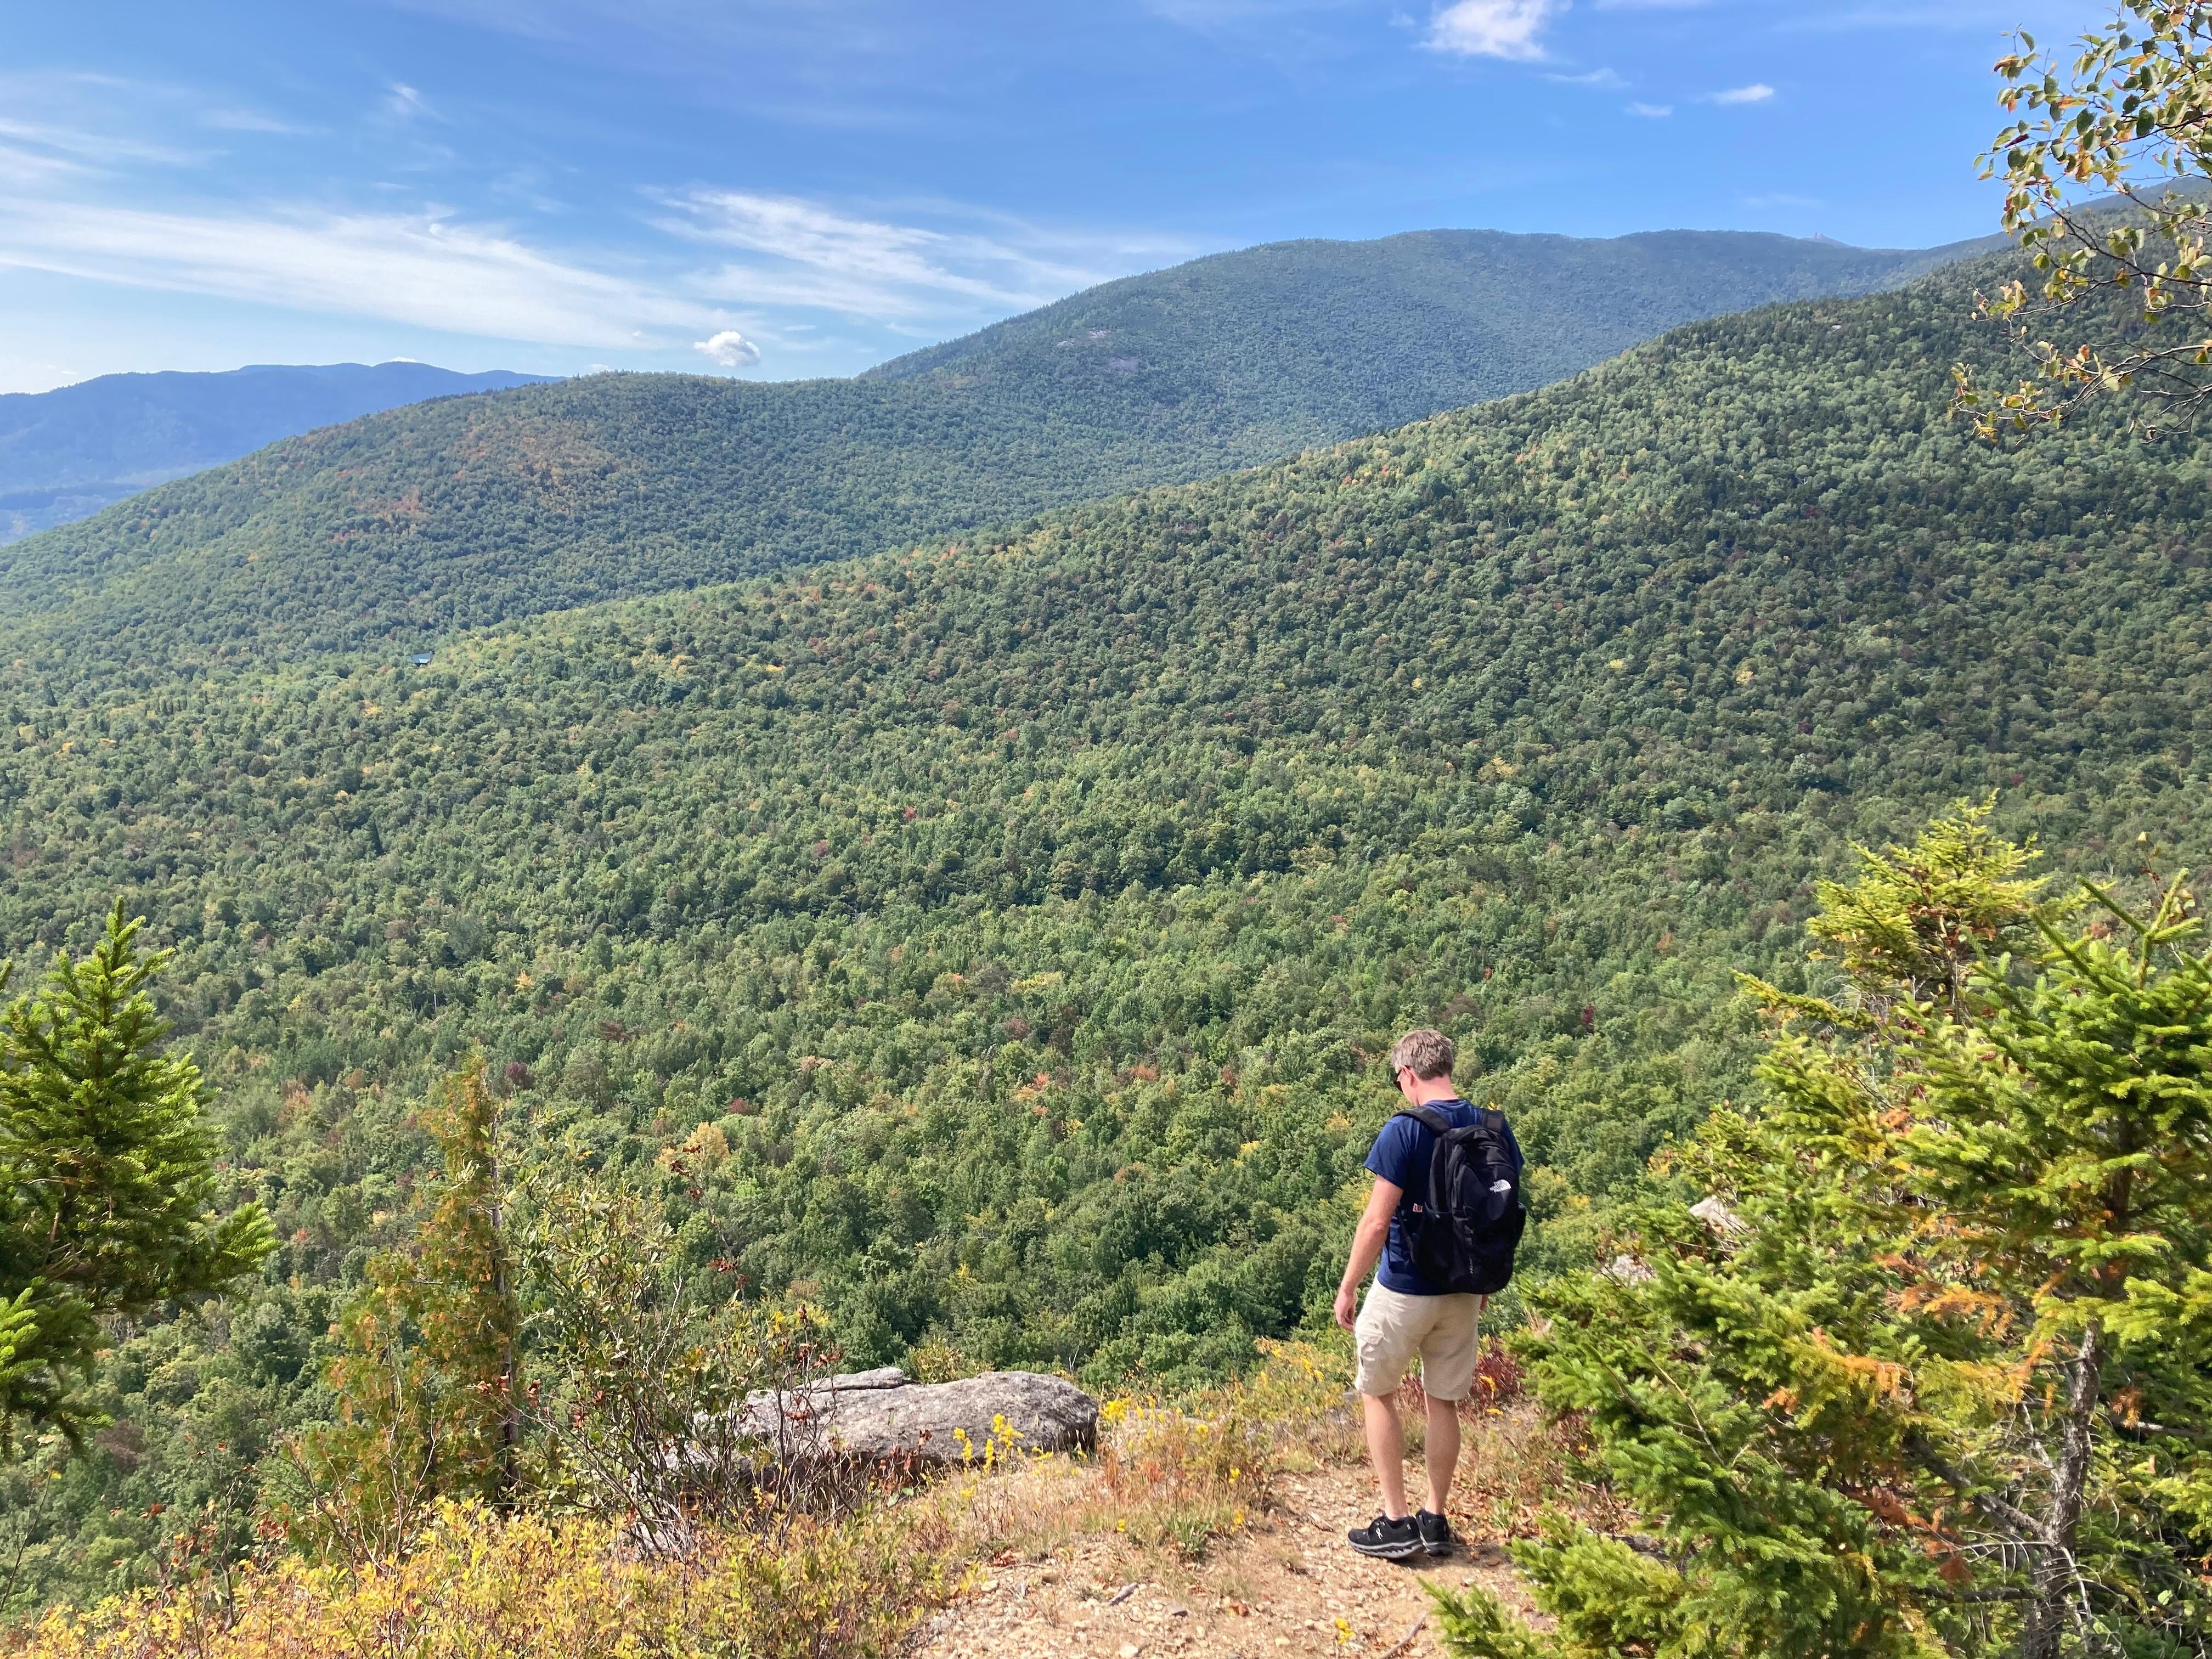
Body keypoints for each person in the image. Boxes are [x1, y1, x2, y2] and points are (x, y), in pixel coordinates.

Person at [1333, 1028, 1522, 1561]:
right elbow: (1501, 1214)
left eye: (1399, 1080)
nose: (1401, 1088)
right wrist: (1481, 1277)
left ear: (1409, 1073)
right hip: (1464, 1292)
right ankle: (1435, 1519)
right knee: (1444, 1403)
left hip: (1405, 1287)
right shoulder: (1493, 1128)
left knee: (1378, 1392)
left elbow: (1375, 1222)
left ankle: (1396, 1522)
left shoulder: (1405, 1130)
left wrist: (1348, 1286)